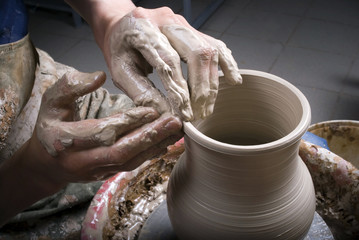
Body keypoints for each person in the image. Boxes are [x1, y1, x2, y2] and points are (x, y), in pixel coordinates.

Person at [0, 0, 241, 227]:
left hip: (48, 96)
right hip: (14, 187)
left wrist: (113, 19)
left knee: (176, 133)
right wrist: (38, 172)